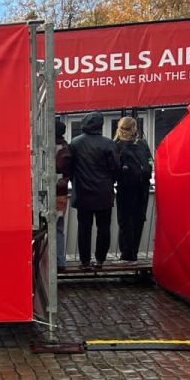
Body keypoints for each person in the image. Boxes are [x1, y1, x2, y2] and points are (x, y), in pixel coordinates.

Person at [68, 111, 119, 268]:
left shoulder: (75, 143)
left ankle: (85, 260)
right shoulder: (109, 143)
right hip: (103, 192)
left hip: (82, 192)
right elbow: (115, 168)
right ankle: (100, 259)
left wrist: (75, 181)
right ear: (100, 125)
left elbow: (70, 168)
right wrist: (109, 181)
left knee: (84, 228)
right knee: (103, 228)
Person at [113, 116, 153, 262]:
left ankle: (126, 253)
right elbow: (150, 161)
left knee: (124, 219)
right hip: (142, 187)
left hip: (125, 187)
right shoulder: (142, 144)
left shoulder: (116, 145)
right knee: (138, 219)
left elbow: (113, 167)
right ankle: (134, 252)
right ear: (134, 128)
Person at [55, 120, 72, 270]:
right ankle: (60, 261)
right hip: (61, 194)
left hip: (45, 194)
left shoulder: (45, 147)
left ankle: (44, 263)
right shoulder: (66, 147)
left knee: (42, 230)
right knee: (58, 229)